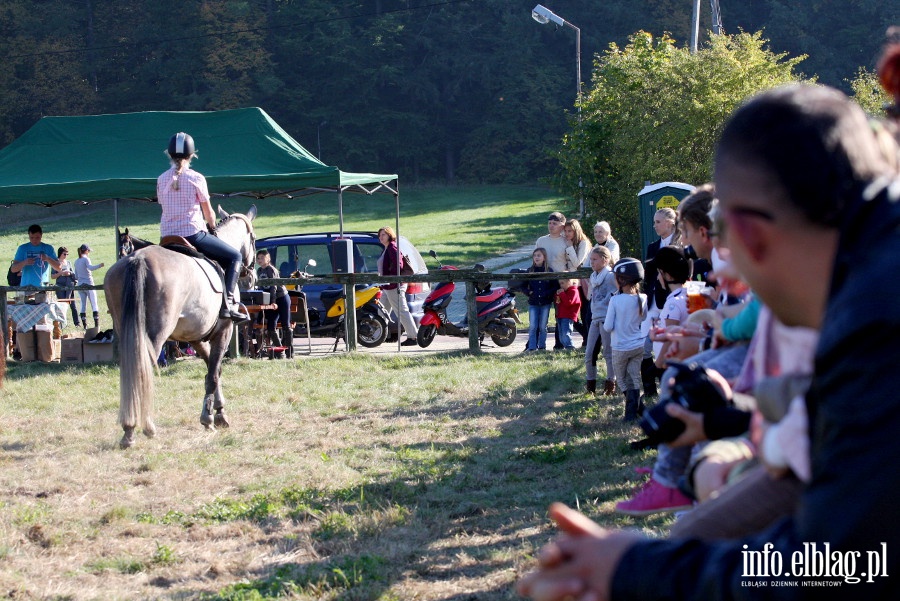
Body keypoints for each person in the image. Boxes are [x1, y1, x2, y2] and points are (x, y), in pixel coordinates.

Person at [517, 83, 900, 600]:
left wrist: (631, 568)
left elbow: (843, 564)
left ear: (748, 235)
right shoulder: (871, 261)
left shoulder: (875, 317)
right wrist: (725, 418)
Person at [157, 131, 247, 322]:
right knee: (235, 257)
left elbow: (164, 205)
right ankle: (228, 304)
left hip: (166, 237)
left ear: (169, 155)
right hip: (192, 234)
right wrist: (212, 227)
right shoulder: (196, 178)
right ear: (191, 155)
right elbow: (208, 213)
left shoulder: (161, 179)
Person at [641, 207, 682, 396]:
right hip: (653, 301)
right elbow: (647, 277)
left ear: (670, 223)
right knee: (643, 344)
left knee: (664, 345)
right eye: (654, 221)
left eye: (658, 222)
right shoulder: (652, 246)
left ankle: (667, 383)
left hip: (673, 300)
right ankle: (649, 388)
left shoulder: (681, 245)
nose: (654, 225)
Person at [603, 258, 648, 421]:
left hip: (620, 347)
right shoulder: (643, 298)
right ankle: (640, 412)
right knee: (635, 378)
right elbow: (644, 320)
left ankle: (631, 414)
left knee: (622, 381)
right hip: (638, 346)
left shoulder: (615, 300)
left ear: (621, 279)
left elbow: (607, 327)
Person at [583, 246, 617, 395]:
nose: (592, 262)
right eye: (591, 259)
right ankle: (590, 385)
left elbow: (616, 294)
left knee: (608, 353)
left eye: (595, 259)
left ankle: (610, 384)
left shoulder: (610, 276)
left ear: (605, 260)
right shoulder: (593, 276)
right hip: (595, 318)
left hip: (607, 319)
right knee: (589, 353)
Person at [377, 226, 418, 346]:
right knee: (382, 312)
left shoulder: (392, 247)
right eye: (379, 235)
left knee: (401, 311)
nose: (381, 237)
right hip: (386, 286)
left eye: (383, 235)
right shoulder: (386, 248)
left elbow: (398, 266)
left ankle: (413, 337)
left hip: (394, 286)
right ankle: (378, 336)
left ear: (390, 235)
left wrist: (391, 278)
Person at [537, 211, 569, 350]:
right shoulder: (541, 240)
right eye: (549, 223)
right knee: (540, 313)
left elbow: (570, 262)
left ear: (562, 225)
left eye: (555, 223)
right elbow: (536, 259)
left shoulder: (565, 241)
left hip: (560, 280)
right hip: (543, 281)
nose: (551, 226)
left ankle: (560, 343)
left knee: (560, 313)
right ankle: (535, 343)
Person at [255, 249, 291, 359]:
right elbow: (261, 288)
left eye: (262, 258)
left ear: (268, 258)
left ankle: (290, 352)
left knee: (286, 325)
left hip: (281, 298)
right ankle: (280, 351)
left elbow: (273, 287)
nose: (259, 260)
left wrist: (273, 302)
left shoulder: (271, 270)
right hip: (271, 301)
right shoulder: (259, 271)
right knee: (271, 327)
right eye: (258, 258)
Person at [522, 248, 557, 352]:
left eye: (539, 255)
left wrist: (547, 294)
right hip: (533, 302)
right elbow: (523, 286)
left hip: (545, 303)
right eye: (535, 255)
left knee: (542, 326)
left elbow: (554, 286)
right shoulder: (530, 271)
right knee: (533, 326)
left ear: (544, 257)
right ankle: (532, 347)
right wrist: (529, 293)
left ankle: (542, 346)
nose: (536, 257)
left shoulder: (549, 271)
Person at [564, 219, 591, 344]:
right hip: (572, 281)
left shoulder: (583, 243)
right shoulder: (568, 243)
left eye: (570, 231)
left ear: (576, 230)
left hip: (583, 282)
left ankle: (587, 339)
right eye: (566, 231)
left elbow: (577, 263)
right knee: (571, 312)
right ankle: (586, 335)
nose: (567, 233)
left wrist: (569, 247)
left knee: (585, 311)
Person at [73, 244, 105, 329]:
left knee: (83, 305)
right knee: (94, 304)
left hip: (80, 285)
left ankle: (85, 326)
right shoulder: (86, 259)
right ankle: (96, 325)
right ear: (86, 251)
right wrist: (99, 265)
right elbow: (90, 268)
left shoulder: (76, 261)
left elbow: (76, 276)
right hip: (89, 283)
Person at [51, 246, 80, 327]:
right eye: (64, 254)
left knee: (72, 304)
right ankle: (61, 324)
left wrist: (69, 273)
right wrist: (61, 273)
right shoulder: (55, 263)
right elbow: (52, 276)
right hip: (60, 285)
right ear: (60, 253)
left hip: (69, 284)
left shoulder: (68, 262)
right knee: (62, 304)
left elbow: (73, 273)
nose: (66, 255)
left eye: (67, 254)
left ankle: (77, 323)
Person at [554, 278, 581, 350]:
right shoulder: (564, 292)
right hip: (560, 315)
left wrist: (562, 294)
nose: (561, 285)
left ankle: (570, 347)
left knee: (566, 333)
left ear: (569, 282)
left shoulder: (573, 291)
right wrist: (557, 295)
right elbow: (558, 303)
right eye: (560, 284)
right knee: (561, 335)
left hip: (568, 316)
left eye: (562, 283)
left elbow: (568, 303)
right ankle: (565, 346)